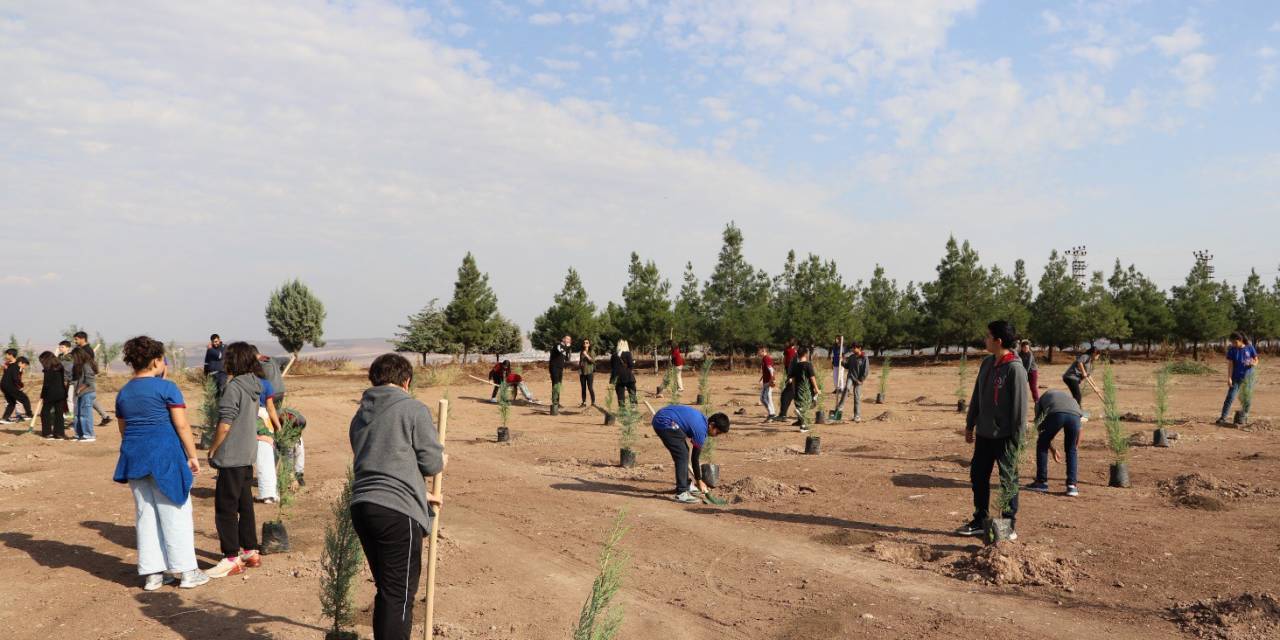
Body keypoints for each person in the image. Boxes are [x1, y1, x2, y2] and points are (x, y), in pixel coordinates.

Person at [349, 353, 445, 640]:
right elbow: (431, 463)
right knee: (399, 595)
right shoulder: (412, 408)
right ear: (407, 381)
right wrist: (443, 460)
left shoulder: (360, 415)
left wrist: (420, 492)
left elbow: (381, 461)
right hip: (395, 513)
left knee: (389, 591)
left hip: (363, 506)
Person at [112, 336, 210, 590]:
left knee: (146, 514)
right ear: (157, 360)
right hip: (165, 456)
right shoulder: (166, 389)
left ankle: (153, 574)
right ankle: (188, 571)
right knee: (175, 510)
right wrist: (192, 455)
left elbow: (123, 430)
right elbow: (182, 425)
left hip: (135, 457)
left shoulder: (124, 393)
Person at [956, 320, 1029, 539]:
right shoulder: (987, 363)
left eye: (988, 336)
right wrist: (970, 424)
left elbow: (1019, 409)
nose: (985, 339)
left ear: (998, 341)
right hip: (984, 435)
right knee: (978, 476)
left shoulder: (1015, 369)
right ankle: (980, 519)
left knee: (1008, 481)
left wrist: (1017, 442)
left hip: (1006, 437)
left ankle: (1008, 525)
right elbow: (977, 396)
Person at [205, 342, 264, 578]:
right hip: (247, 455)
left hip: (231, 456)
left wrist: (213, 449)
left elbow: (225, 423)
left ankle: (231, 558)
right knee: (245, 504)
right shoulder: (255, 385)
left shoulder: (234, 387)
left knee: (225, 509)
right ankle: (250, 550)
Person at [650, 404, 730, 504]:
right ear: (711, 425)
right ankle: (682, 493)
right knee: (682, 454)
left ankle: (686, 484)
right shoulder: (701, 430)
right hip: (664, 422)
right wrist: (699, 480)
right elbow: (695, 458)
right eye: (717, 432)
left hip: (666, 418)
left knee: (684, 451)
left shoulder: (703, 422)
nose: (716, 435)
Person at [1025, 389, 1084, 497]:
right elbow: (1080, 428)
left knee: (1042, 444)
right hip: (1074, 417)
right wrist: (1075, 447)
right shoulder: (1071, 400)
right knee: (1071, 450)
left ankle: (1041, 482)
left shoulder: (1040, 401)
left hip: (1056, 414)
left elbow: (1040, 427)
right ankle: (1072, 486)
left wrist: (1051, 449)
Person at [251, 350, 284, 504]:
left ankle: (267, 494)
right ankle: (272, 492)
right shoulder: (267, 384)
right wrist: (278, 426)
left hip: (255, 418)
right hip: (267, 420)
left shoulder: (249, 384)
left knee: (262, 460)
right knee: (268, 458)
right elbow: (271, 409)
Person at [1218, 331, 1260, 425]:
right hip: (1236, 378)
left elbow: (1256, 360)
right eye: (1232, 342)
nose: (1234, 344)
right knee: (1230, 397)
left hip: (1248, 378)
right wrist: (1229, 378)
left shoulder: (1250, 348)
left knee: (1247, 398)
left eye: (1235, 342)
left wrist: (1253, 363)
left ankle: (1244, 418)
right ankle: (1223, 417)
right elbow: (1230, 365)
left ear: (1240, 340)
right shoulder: (1232, 350)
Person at [73, 331, 113, 425]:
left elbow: (86, 366)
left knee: (82, 397)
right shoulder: (81, 349)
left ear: (83, 339)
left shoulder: (87, 350)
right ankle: (105, 416)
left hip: (84, 377)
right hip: (81, 377)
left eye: (76, 339)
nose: (75, 341)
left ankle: (77, 420)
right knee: (90, 398)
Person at [833, 342, 869, 422]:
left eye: (854, 348)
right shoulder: (852, 357)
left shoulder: (864, 358)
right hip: (851, 377)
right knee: (846, 389)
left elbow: (866, 370)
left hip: (858, 380)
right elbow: (847, 366)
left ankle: (857, 415)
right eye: (852, 348)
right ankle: (839, 409)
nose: (852, 349)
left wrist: (861, 380)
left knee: (857, 397)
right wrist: (842, 361)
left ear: (859, 348)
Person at [37, 352, 68, 439]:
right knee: (59, 413)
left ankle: (47, 433)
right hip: (61, 392)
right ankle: (59, 433)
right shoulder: (60, 367)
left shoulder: (48, 369)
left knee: (44, 412)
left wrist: (42, 395)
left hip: (51, 393)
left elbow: (46, 384)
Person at [70, 347, 98, 442]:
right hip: (80, 393)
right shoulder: (80, 366)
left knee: (85, 415)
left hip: (87, 393)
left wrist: (79, 389)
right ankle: (79, 434)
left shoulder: (86, 365)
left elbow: (89, 381)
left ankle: (89, 435)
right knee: (77, 415)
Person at [1, 350, 33, 423]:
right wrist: (21, 385)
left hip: (4, 386)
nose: (25, 367)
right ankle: (29, 415)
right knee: (25, 399)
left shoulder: (11, 365)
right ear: (20, 363)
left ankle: (4, 419)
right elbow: (15, 378)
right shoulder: (16, 367)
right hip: (10, 387)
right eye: (25, 365)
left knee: (11, 402)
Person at [611, 339, 636, 407]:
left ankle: (622, 411)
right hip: (628, 377)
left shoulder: (614, 355)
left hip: (618, 378)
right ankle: (633, 408)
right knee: (632, 393)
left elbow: (612, 366)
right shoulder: (627, 354)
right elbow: (631, 365)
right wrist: (633, 362)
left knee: (620, 395)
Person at [549, 334, 572, 408]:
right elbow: (560, 351)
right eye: (567, 339)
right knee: (555, 384)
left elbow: (567, 358)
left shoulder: (565, 348)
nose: (568, 341)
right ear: (563, 339)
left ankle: (557, 402)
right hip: (554, 367)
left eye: (569, 340)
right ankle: (554, 402)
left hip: (560, 368)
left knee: (559, 385)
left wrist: (568, 350)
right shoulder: (557, 345)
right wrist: (567, 347)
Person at [758, 345, 776, 420]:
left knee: (764, 398)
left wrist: (772, 380)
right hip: (766, 381)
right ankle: (772, 414)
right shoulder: (764, 359)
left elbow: (771, 370)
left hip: (769, 382)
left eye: (759, 351)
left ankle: (771, 414)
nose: (758, 352)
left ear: (763, 351)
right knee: (766, 398)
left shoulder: (766, 358)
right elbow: (766, 370)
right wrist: (762, 378)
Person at [578, 338, 596, 407]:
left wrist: (586, 355)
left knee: (590, 387)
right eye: (584, 343)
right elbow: (580, 361)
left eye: (587, 342)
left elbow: (593, 361)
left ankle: (593, 402)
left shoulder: (591, 351)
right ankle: (584, 402)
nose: (585, 344)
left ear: (589, 344)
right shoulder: (581, 352)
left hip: (589, 372)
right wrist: (579, 368)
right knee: (583, 388)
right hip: (582, 373)